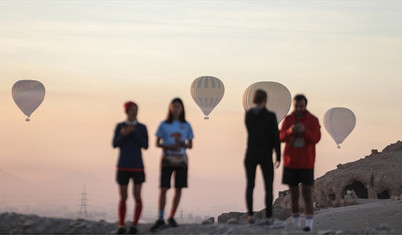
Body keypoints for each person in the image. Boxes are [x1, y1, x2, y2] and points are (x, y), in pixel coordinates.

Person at [151, 98, 194, 232]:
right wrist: (169, 146)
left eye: (178, 107)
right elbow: (157, 143)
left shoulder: (187, 125)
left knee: (178, 188)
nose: (176, 109)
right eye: (174, 106)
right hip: (167, 159)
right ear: (170, 108)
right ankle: (160, 217)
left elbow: (190, 145)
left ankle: (171, 216)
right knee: (163, 188)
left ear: (182, 109)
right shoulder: (163, 125)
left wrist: (182, 145)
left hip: (181, 159)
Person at [280, 94, 321, 232]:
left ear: (305, 106)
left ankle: (308, 224)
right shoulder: (288, 119)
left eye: (301, 106)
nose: (298, 108)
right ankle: (296, 222)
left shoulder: (312, 120)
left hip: (306, 163)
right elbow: (280, 136)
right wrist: (290, 131)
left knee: (307, 194)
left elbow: (316, 138)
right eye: (296, 106)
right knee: (294, 194)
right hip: (290, 162)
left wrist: (305, 131)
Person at [244, 89, 281, 224]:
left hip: (251, 153)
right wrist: (278, 154)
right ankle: (269, 216)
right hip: (265, 154)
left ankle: (250, 215)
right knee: (268, 186)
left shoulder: (248, 115)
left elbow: (251, 131)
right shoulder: (270, 116)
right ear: (265, 100)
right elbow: (275, 137)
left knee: (250, 185)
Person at [112, 101, 149, 234]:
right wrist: (123, 134)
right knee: (123, 197)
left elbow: (145, 145)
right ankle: (121, 225)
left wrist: (133, 134)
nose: (135, 112)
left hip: (137, 167)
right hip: (122, 166)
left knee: (137, 196)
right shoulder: (120, 126)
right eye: (133, 109)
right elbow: (115, 144)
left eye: (137, 109)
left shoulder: (142, 127)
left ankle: (134, 225)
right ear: (127, 111)